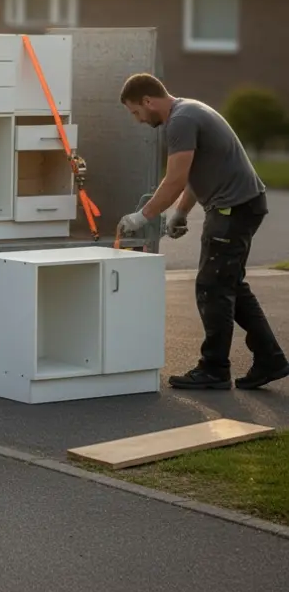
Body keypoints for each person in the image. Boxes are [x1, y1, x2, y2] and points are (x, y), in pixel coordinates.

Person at [116, 73, 286, 390]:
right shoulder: (189, 111)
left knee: (212, 287)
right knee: (229, 284)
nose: (138, 120)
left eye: (135, 112)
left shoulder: (180, 121)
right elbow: (196, 173)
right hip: (239, 205)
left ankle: (214, 368)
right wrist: (180, 212)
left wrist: (142, 217)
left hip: (232, 209)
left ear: (147, 101)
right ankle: (270, 359)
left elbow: (175, 179)